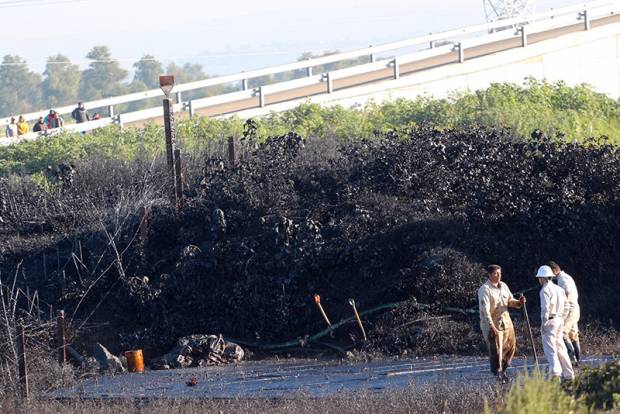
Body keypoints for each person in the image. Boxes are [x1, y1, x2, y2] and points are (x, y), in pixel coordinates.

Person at [478, 264, 526, 383]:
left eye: (500, 273)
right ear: (489, 275)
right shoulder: (485, 289)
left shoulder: (503, 286)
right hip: (493, 324)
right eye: (495, 273)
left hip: (506, 323)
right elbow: (485, 311)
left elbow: (510, 301)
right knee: (496, 350)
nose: (498, 276)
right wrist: (491, 326)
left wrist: (519, 303)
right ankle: (497, 374)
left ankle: (503, 371)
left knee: (510, 348)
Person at [536, 265, 575, 381]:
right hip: (559, 321)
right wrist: (562, 318)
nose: (539, 280)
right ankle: (569, 375)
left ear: (543, 278)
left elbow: (545, 309)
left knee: (551, 350)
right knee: (561, 348)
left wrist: (544, 323)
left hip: (550, 321)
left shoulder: (544, 290)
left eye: (539, 278)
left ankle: (556, 375)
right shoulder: (559, 289)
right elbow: (567, 305)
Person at [548, 261, 581, 366]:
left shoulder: (563, 279)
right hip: (574, 308)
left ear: (553, 270)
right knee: (573, 335)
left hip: (569, 310)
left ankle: (572, 359)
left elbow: (566, 292)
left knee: (562, 333)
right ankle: (577, 361)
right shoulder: (566, 277)